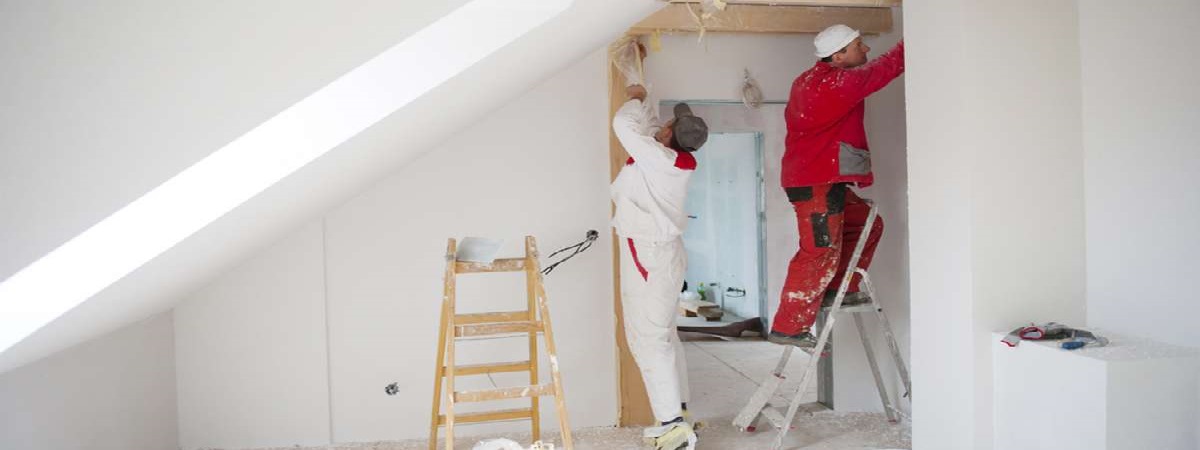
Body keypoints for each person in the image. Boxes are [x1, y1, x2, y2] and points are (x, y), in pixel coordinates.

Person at [769, 24, 905, 349]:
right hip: (816, 182)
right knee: (818, 250)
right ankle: (789, 326)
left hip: (821, 180)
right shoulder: (836, 84)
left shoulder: (809, 80)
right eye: (860, 45)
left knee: (868, 224)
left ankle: (839, 289)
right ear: (839, 54)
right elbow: (887, 68)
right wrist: (919, 34)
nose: (866, 50)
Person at [611, 79, 708, 450]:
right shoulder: (669, 155)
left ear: (668, 136)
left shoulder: (659, 159)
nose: (664, 124)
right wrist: (644, 92)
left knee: (648, 338)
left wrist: (634, 97)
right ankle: (678, 413)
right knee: (665, 334)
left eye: (668, 124)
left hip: (648, 254)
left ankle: (672, 427)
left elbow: (624, 126)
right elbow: (646, 130)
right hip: (661, 252)